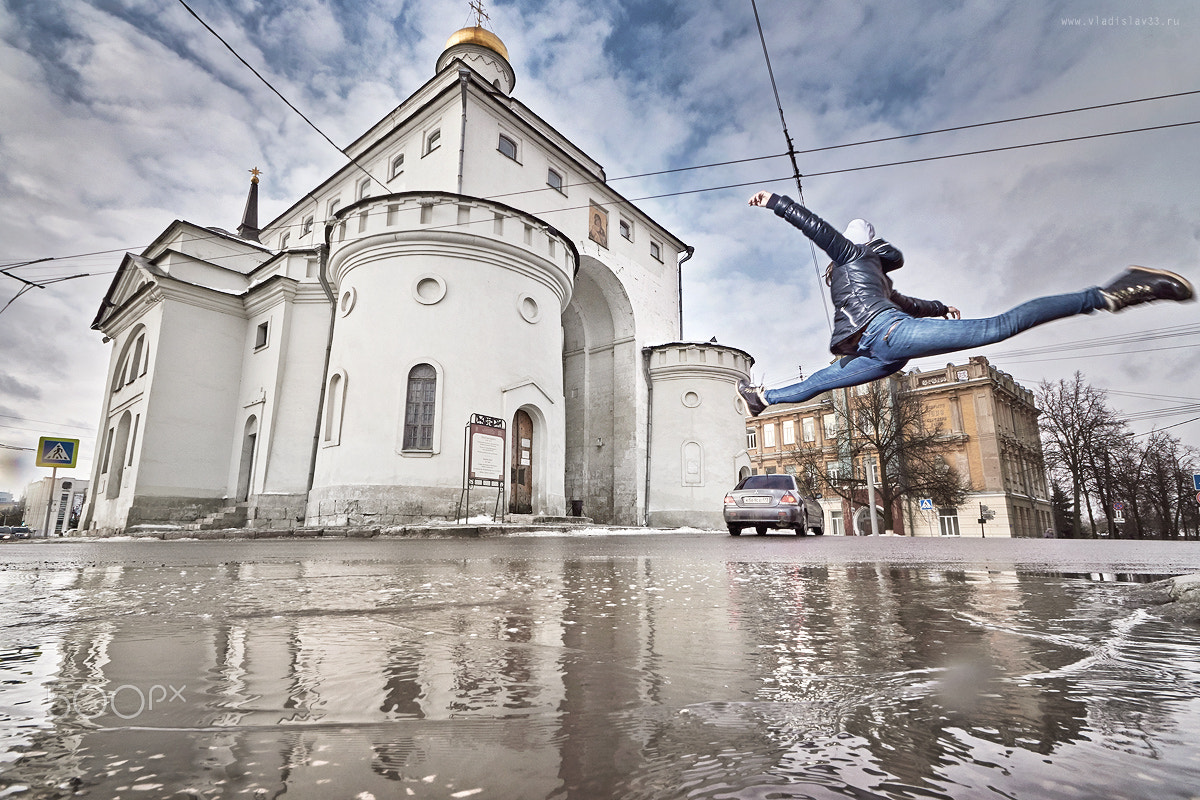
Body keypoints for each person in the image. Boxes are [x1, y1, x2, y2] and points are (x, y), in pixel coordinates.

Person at [735, 191, 1194, 416]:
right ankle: (763, 398)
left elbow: (815, 227)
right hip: (872, 351)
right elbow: (907, 299)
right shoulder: (864, 274)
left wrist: (777, 202)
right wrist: (938, 307)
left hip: (888, 334)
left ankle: (1111, 292)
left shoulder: (852, 254)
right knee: (820, 382)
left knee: (996, 327)